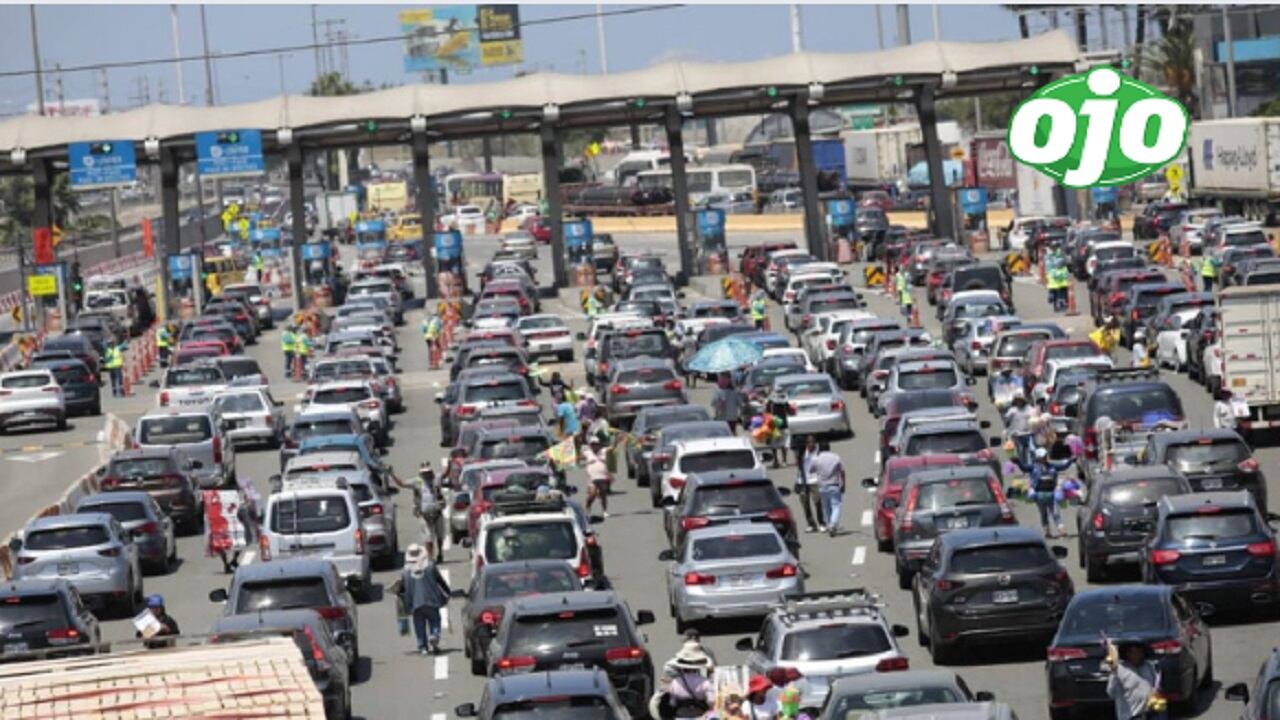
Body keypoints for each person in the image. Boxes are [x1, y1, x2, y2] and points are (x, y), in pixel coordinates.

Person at [390, 544, 451, 655]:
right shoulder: (430, 566)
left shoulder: (405, 571)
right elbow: (440, 581)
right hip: (432, 600)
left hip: (415, 604)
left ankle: (423, 647)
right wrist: (447, 592)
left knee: (419, 625)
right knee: (435, 620)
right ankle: (434, 636)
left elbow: (401, 588)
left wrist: (397, 592)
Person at [1013, 446, 1075, 538]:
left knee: (1055, 512)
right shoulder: (1033, 467)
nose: (1045, 458)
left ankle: (1061, 529)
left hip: (1052, 494)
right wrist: (1018, 462)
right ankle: (1047, 531)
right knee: (1043, 514)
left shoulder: (1052, 466)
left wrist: (1071, 460)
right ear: (1038, 458)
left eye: (1045, 456)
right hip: (1039, 495)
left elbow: (1063, 467)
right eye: (1043, 456)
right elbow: (1024, 468)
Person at [653, 633, 716, 720]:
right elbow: (711, 701)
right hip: (700, 715)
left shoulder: (675, 682)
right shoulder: (705, 682)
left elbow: (672, 703)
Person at [1104, 640, 1165, 720]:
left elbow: (1156, 685)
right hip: (1131, 716)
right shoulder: (1119, 669)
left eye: (1140, 652)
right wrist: (1114, 673)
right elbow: (1111, 693)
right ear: (1127, 654)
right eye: (1133, 652)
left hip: (1151, 713)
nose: (1137, 655)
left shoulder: (1149, 667)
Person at [809, 441, 845, 538]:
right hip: (834, 484)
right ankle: (833, 525)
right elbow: (842, 471)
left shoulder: (816, 459)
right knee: (836, 506)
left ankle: (830, 525)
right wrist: (843, 484)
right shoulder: (836, 457)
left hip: (822, 486)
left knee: (826, 507)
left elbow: (811, 470)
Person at [795, 435, 825, 533]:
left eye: (813, 442)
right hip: (803, 481)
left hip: (816, 480)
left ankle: (821, 523)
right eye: (809, 442)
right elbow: (800, 467)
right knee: (805, 503)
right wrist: (799, 482)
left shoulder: (820, 452)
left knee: (817, 501)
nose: (811, 444)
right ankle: (811, 524)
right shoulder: (803, 453)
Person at [416, 465, 446, 563]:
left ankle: (440, 552)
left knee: (439, 535)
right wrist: (392, 474)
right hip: (425, 516)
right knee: (428, 537)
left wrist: (450, 463)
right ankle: (430, 556)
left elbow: (445, 474)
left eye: (428, 473)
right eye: (424, 473)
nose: (426, 475)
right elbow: (402, 484)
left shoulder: (436, 480)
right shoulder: (418, 483)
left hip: (437, 513)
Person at [582, 436, 612, 519]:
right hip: (592, 477)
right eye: (593, 444)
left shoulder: (603, 451)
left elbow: (612, 447)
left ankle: (604, 511)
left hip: (602, 476)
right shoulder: (587, 452)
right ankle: (588, 508)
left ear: (599, 444)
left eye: (596, 444)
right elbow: (578, 456)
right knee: (592, 494)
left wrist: (617, 439)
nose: (594, 446)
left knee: (603, 494)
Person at [1003, 395, 1035, 468]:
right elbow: (1006, 420)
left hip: (1028, 433)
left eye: (1020, 401)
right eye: (1017, 401)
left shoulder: (1029, 409)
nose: (1019, 402)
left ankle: (1030, 465)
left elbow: (1035, 418)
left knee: (1031, 449)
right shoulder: (1012, 410)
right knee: (1020, 450)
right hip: (1016, 434)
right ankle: (1022, 466)